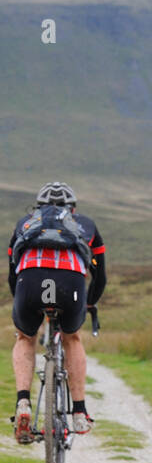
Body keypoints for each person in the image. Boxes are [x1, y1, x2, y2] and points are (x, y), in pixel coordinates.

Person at [8, 182, 106, 443]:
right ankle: (79, 412)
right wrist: (90, 303)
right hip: (70, 284)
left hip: (29, 281)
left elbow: (12, 268)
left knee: (25, 338)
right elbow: (99, 275)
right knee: (71, 337)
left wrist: (20, 301)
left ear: (38, 208)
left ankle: (23, 404)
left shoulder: (25, 223)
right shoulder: (86, 224)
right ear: (72, 208)